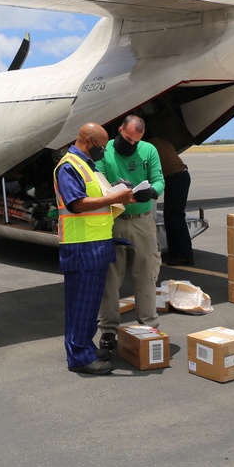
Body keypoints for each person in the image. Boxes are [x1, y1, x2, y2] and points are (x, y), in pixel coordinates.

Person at [53, 122, 135, 375]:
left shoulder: (87, 165)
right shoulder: (68, 166)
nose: (103, 150)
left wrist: (119, 195)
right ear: (88, 141)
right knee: (81, 305)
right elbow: (77, 203)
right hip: (81, 246)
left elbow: (98, 202)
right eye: (101, 145)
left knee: (89, 305)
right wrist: (115, 198)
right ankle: (79, 357)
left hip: (96, 244)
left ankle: (85, 347)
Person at [95, 115, 165, 352]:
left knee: (145, 274)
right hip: (113, 219)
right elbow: (98, 181)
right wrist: (116, 191)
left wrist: (152, 192)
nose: (131, 145)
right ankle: (108, 329)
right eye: (127, 139)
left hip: (141, 221)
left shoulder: (149, 150)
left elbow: (159, 180)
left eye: (136, 141)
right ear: (120, 130)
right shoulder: (105, 153)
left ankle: (148, 324)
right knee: (110, 278)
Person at [146, 137, 194, 266]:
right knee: (171, 216)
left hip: (176, 178)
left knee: (175, 216)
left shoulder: (149, 145)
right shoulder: (161, 141)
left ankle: (184, 255)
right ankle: (175, 251)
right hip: (179, 176)